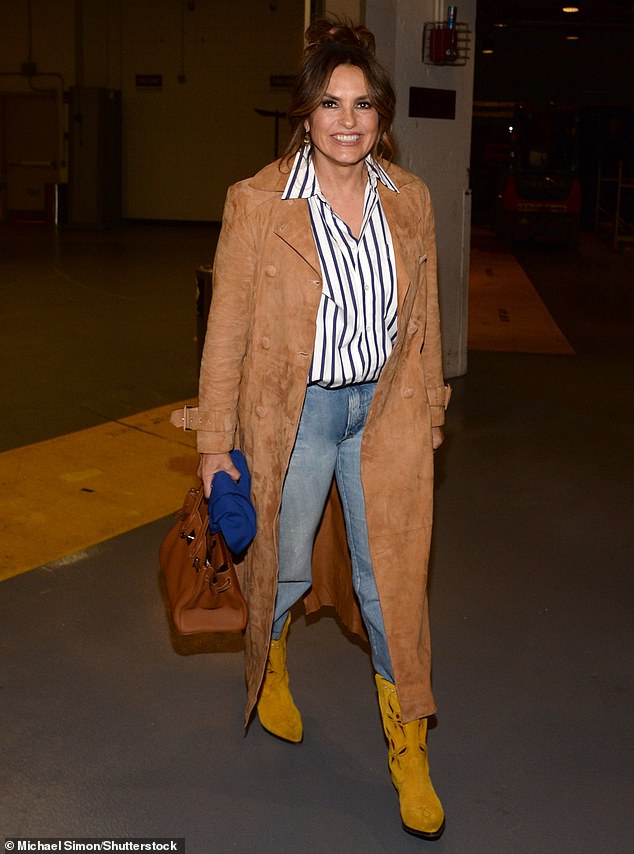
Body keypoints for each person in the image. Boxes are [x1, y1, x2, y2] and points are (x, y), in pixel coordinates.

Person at [178, 18, 450, 841]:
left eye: (362, 103)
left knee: (392, 586)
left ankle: (409, 747)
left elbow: (425, 321)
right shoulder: (257, 202)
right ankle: (277, 664)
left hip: (387, 411)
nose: (347, 119)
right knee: (283, 566)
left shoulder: (411, 200)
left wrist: (431, 406)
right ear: (305, 112)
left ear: (381, 115)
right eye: (330, 102)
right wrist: (214, 443)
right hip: (293, 416)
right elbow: (224, 330)